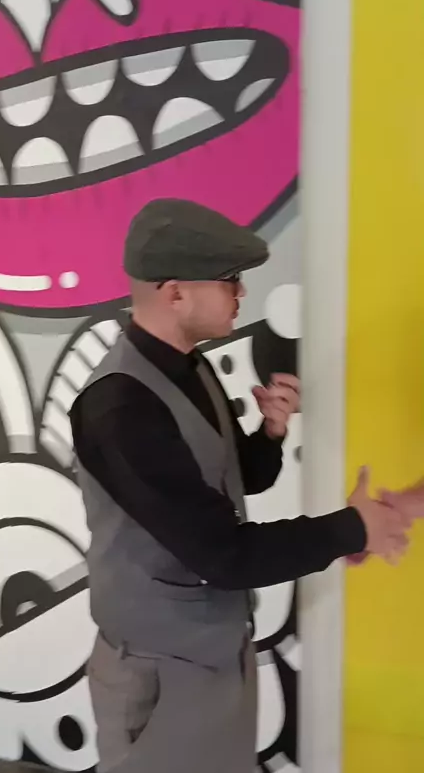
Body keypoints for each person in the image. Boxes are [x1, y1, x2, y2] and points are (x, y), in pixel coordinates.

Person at [69, 198, 410, 773]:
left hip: (215, 653)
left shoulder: (192, 367)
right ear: (175, 293)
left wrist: (269, 433)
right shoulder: (121, 408)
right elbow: (224, 554)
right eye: (229, 279)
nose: (241, 292)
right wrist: (354, 528)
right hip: (159, 676)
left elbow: (238, 481)